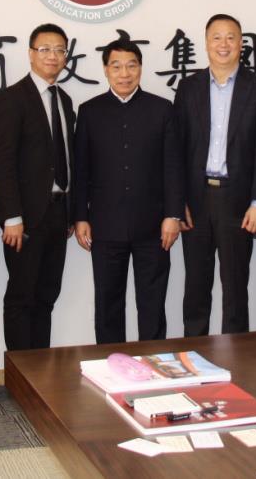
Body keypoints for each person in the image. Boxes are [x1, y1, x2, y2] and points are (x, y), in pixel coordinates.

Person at [72, 38, 182, 343]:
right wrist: (80, 216)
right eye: (116, 66)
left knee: (152, 303)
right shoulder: (90, 111)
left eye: (131, 66)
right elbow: (81, 169)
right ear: (106, 70)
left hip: (153, 225)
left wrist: (173, 214)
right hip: (105, 225)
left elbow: (173, 167)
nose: (124, 74)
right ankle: (110, 362)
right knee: (107, 304)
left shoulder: (162, 109)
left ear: (140, 69)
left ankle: (154, 362)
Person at [175, 14, 256, 336]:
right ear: (206, 43)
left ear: (241, 44)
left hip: (238, 200)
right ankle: (193, 353)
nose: (224, 44)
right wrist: (177, 202)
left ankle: (236, 357)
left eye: (231, 37)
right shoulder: (188, 87)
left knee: (235, 287)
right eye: (217, 37)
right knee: (196, 286)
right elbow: (177, 147)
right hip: (196, 200)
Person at [0, 23, 76, 351]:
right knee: (21, 296)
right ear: (30, 54)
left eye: (59, 50)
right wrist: (11, 216)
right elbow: (2, 161)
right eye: (45, 49)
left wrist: (71, 213)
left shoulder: (64, 99)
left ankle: (40, 369)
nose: (53, 56)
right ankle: (20, 372)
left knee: (46, 296)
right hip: (25, 218)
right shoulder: (12, 98)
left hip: (58, 213)